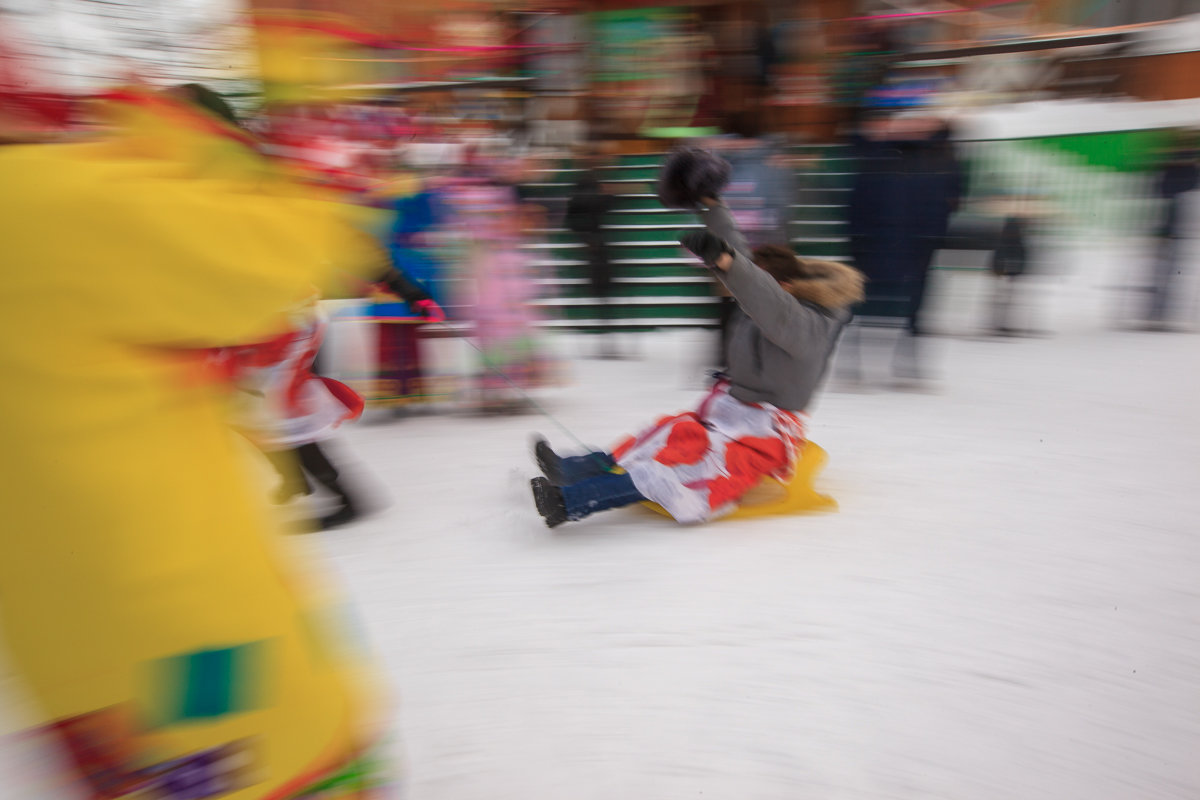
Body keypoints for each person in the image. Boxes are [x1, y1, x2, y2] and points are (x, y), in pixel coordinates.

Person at [0, 87, 389, 797]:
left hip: (57, 639)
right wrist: (206, 141)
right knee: (248, 759)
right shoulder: (51, 196)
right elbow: (283, 248)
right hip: (175, 611)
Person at [530, 148, 863, 527]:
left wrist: (728, 265)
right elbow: (747, 266)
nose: (743, 290)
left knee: (686, 466)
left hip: (761, 434)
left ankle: (570, 502)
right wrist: (710, 203)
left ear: (786, 286)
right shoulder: (775, 300)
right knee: (661, 435)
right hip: (729, 411)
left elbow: (765, 297)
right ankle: (573, 469)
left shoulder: (806, 326)